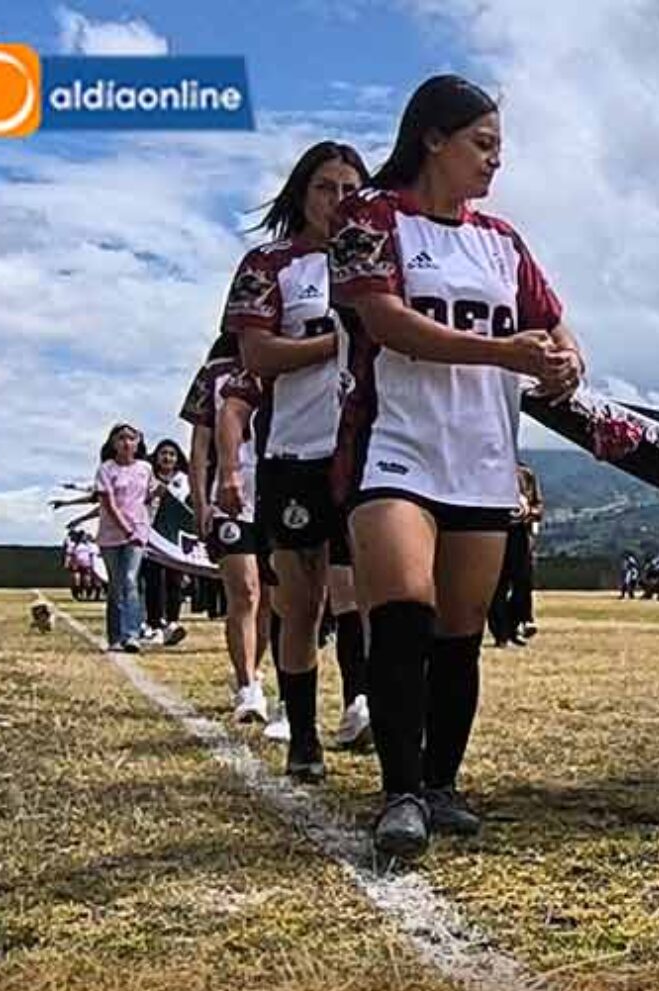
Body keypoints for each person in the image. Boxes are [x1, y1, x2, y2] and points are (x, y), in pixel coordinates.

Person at [330, 74, 582, 857]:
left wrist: (565, 363)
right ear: (432, 139)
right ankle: (398, 792)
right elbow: (388, 322)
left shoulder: (502, 241)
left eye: (500, 149)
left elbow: (557, 328)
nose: (494, 162)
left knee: (459, 632)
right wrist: (503, 352)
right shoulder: (369, 220)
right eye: (482, 144)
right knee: (402, 606)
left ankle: (441, 783)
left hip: (482, 455)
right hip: (396, 445)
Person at [224, 139, 371, 783]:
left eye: (350, 189)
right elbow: (255, 355)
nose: (339, 201)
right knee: (303, 601)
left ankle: (365, 708)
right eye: (325, 188)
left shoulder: (377, 259)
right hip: (295, 453)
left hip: (372, 451)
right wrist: (326, 345)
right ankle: (303, 734)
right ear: (301, 193)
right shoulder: (270, 264)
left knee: (367, 594)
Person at [183, 334, 275, 723]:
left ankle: (253, 668)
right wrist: (201, 502)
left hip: (277, 486)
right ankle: (246, 687)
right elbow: (200, 446)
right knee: (245, 591)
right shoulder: (213, 374)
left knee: (272, 597)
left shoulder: (282, 360)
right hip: (230, 495)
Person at [92, 424, 153, 652]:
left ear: (138, 443)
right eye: (121, 438)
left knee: (130, 580)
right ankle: (115, 636)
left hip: (137, 533)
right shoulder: (106, 470)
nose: (126, 443)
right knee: (115, 584)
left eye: (131, 438)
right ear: (113, 443)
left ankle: (132, 634)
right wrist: (125, 527)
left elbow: (147, 498)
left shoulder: (145, 469)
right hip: (111, 534)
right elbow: (107, 504)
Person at [141, 438, 192, 648]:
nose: (167, 457)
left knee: (174, 581)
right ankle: (154, 623)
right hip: (152, 536)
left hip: (176, 538)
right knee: (153, 580)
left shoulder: (185, 480)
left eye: (172, 454)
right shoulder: (147, 477)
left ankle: (172, 622)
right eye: (163, 453)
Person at [489, 461, 543, 646]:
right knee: (498, 586)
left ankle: (515, 625)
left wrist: (530, 511)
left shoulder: (526, 474)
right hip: (496, 533)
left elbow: (539, 505)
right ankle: (500, 634)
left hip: (521, 535)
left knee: (523, 583)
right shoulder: (490, 470)